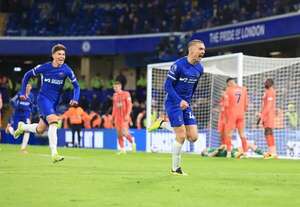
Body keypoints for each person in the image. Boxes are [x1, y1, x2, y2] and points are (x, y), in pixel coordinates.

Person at [14, 44, 80, 163]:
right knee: (54, 121)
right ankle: (54, 153)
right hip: (43, 99)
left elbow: (76, 86)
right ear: (53, 55)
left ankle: (22, 127)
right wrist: (23, 92)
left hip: (54, 103)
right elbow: (27, 75)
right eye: (59, 54)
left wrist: (75, 98)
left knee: (40, 129)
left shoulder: (66, 70)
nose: (62, 56)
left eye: (63, 54)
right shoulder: (44, 67)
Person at [164, 39, 205, 175]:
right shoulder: (178, 65)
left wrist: (188, 101)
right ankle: (175, 169)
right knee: (181, 136)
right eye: (200, 49)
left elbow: (193, 87)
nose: (203, 52)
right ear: (191, 50)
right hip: (173, 103)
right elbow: (167, 86)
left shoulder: (200, 68)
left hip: (185, 104)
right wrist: (179, 100)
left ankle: (164, 124)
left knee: (193, 137)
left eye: (204, 50)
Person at [223, 78, 249, 158]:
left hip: (232, 114)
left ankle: (229, 153)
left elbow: (226, 104)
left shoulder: (228, 90)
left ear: (229, 83)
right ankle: (245, 153)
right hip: (241, 114)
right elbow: (246, 104)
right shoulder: (244, 89)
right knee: (242, 134)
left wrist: (226, 117)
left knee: (228, 133)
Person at [5, 84, 33, 153]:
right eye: (26, 86)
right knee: (15, 135)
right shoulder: (20, 94)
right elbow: (12, 101)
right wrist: (16, 105)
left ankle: (23, 149)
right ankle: (9, 128)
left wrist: (29, 115)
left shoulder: (31, 96)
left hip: (26, 116)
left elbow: (31, 106)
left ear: (31, 88)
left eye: (29, 87)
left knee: (27, 131)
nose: (27, 88)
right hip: (18, 115)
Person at [112, 81, 136, 153]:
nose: (115, 89)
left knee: (124, 132)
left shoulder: (126, 94)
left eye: (116, 87)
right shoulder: (114, 95)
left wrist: (127, 115)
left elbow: (130, 105)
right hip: (117, 118)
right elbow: (114, 107)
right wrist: (112, 118)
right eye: (114, 87)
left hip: (124, 117)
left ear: (120, 87)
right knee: (119, 134)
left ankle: (132, 143)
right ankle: (122, 149)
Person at [257, 78, 277, 159]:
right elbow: (265, 105)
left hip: (269, 115)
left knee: (268, 131)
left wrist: (262, 116)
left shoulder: (271, 92)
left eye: (267, 82)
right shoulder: (267, 92)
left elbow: (268, 106)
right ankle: (273, 152)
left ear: (271, 84)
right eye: (265, 82)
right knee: (267, 132)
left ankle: (272, 153)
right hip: (266, 115)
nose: (266, 83)